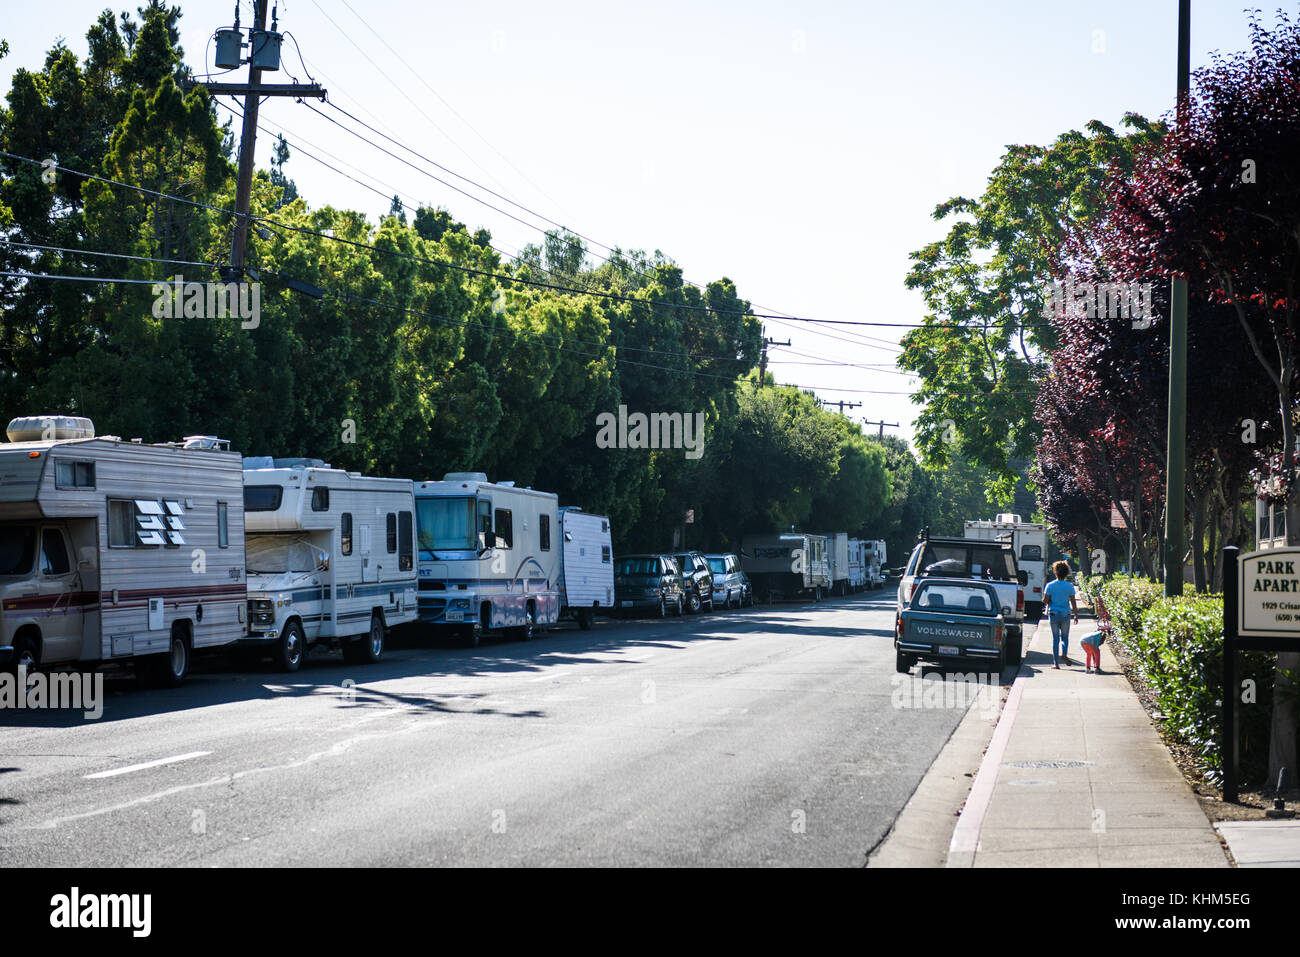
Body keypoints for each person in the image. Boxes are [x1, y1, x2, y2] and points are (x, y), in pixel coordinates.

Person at [1043, 561, 1079, 669]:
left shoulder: (1050, 585)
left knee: (1055, 639)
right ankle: (1064, 653)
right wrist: (1076, 615)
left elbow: (1045, 601)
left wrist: (1048, 601)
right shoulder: (1070, 586)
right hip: (1065, 614)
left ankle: (1056, 663)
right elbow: (1073, 602)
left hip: (1053, 614)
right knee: (1065, 637)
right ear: (1066, 573)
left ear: (1055, 572)